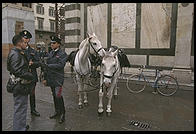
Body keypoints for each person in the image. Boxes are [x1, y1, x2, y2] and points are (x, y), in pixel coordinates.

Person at [7, 34, 33, 131]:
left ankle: (20, 126)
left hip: (21, 85)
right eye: (24, 42)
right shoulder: (15, 54)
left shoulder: (18, 52)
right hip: (19, 85)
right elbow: (16, 70)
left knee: (21, 107)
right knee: (20, 108)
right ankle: (19, 128)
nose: (26, 44)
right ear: (19, 43)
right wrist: (30, 75)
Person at [41, 35, 67, 124]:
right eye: (51, 43)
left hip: (58, 78)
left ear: (58, 44)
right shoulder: (50, 53)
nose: (52, 44)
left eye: (54, 43)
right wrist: (45, 78)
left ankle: (63, 113)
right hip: (51, 78)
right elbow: (46, 67)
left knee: (58, 95)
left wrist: (48, 66)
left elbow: (61, 65)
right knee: (54, 95)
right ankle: (57, 111)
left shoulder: (62, 54)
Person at [19, 30, 40, 116]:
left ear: (29, 40)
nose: (25, 40)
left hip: (32, 76)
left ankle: (33, 110)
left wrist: (33, 63)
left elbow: (38, 62)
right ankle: (22, 114)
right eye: (24, 38)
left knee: (32, 94)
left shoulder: (33, 51)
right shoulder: (18, 50)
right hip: (22, 76)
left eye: (27, 38)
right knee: (22, 96)